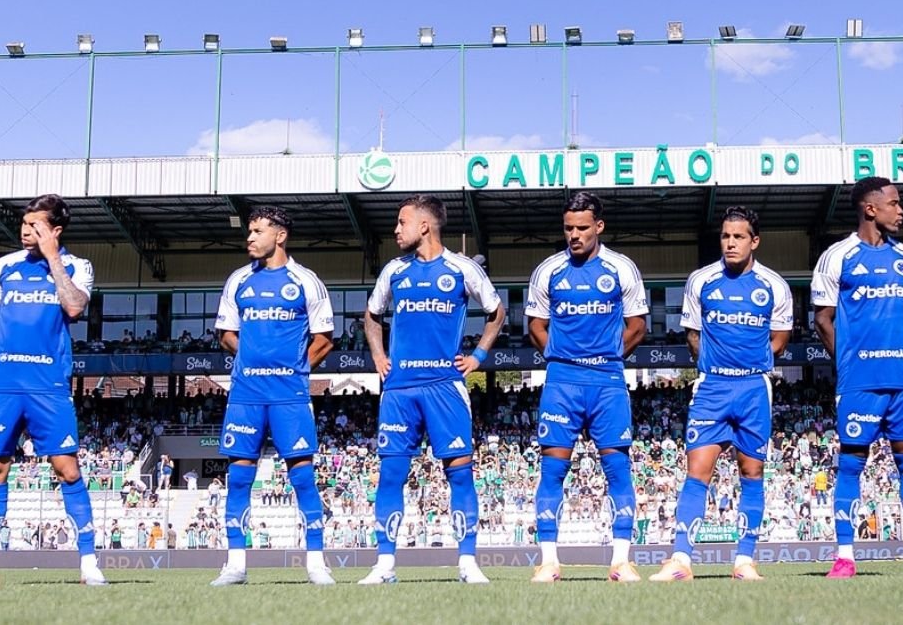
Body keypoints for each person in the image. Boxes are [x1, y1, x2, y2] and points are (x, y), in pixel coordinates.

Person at [0, 194, 107, 587]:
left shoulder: (76, 267)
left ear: (55, 230)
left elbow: (73, 308)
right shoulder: (4, 267)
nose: (25, 229)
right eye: (24, 222)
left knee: (66, 469)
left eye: (35, 224)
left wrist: (53, 259)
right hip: (0, 385)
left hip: (48, 385)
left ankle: (88, 563)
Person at [359, 194, 505, 585]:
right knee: (391, 474)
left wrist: (477, 356)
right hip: (400, 388)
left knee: (460, 473)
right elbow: (371, 316)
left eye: (401, 221)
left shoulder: (460, 269)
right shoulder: (393, 271)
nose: (395, 229)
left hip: (445, 386)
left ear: (424, 226)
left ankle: (468, 562)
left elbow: (496, 312)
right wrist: (378, 356)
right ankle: (384, 564)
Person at [650, 207, 792, 582]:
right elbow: (693, 333)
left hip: (753, 388)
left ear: (754, 241)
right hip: (712, 387)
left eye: (739, 236)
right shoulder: (701, 281)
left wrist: (751, 361)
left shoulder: (774, 286)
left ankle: (744, 560)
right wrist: (713, 363)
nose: (730, 243)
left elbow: (779, 338)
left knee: (752, 471)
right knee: (697, 473)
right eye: (726, 236)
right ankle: (681, 558)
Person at [811, 176, 903, 578]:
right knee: (851, 463)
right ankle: (845, 556)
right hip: (859, 383)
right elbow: (823, 317)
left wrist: (898, 344)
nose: (900, 210)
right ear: (871, 208)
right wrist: (848, 361)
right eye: (894, 203)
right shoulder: (838, 256)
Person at [524, 192, 648, 583]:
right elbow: (535, 326)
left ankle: (621, 560)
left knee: (617, 468)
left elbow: (638, 326)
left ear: (599, 226)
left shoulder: (621, 269)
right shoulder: (549, 271)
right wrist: (562, 358)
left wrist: (607, 358)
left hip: (608, 382)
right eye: (568, 228)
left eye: (581, 228)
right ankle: (548, 561)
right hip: (562, 383)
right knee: (552, 469)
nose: (574, 235)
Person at [210, 206, 336, 587]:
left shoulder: (306, 281)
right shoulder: (238, 280)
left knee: (302, 478)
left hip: (289, 397)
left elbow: (324, 338)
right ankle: (235, 564)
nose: (249, 237)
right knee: (238, 478)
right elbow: (226, 333)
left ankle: (316, 562)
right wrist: (250, 358)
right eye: (249, 230)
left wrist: (297, 371)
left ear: (279, 236)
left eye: (257, 231)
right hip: (246, 394)